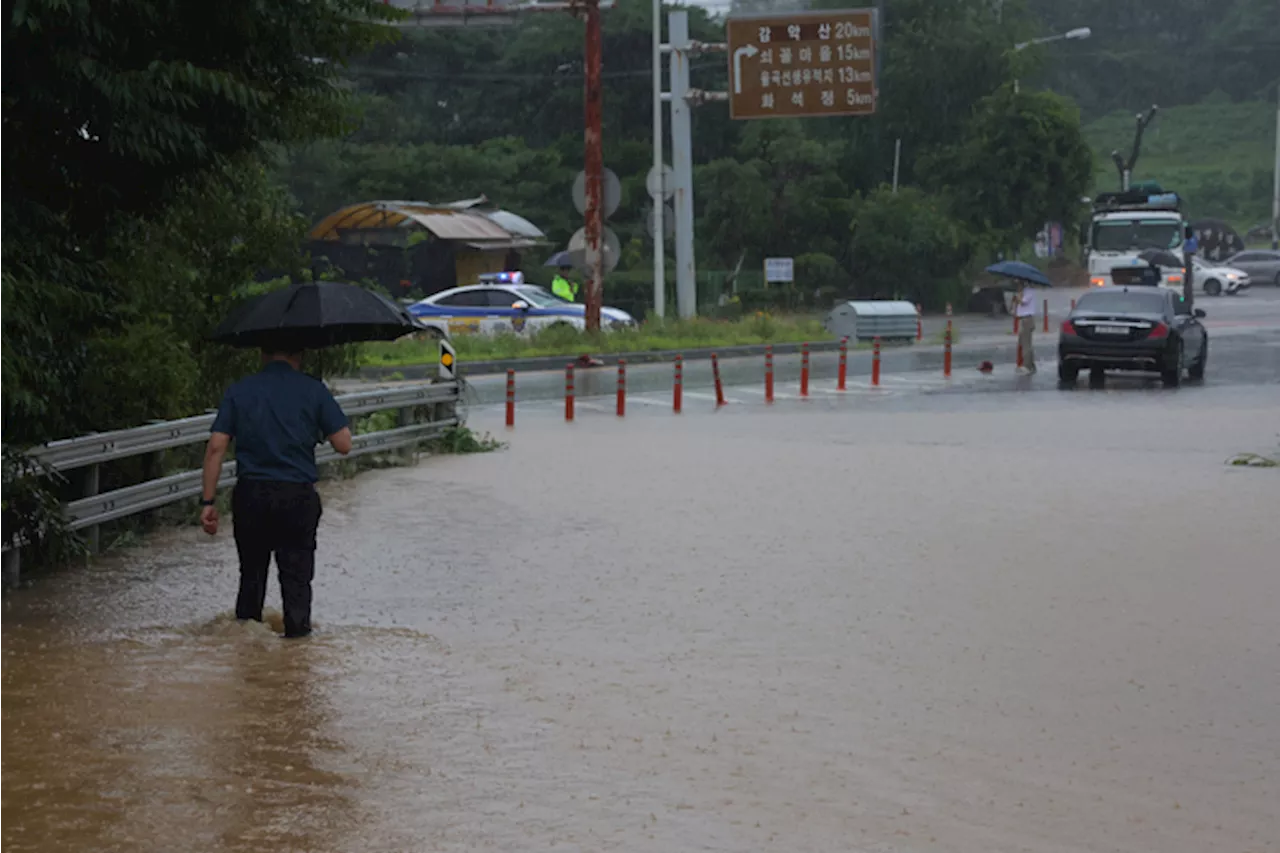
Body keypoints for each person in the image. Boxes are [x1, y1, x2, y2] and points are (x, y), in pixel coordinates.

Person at [199, 348, 353, 639]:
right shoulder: (313, 389)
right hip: (297, 497)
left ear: (262, 354)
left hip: (252, 496)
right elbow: (344, 444)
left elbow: (216, 447)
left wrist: (208, 502)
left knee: (251, 578)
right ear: (298, 354)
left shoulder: (240, 391)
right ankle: (296, 659)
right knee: (296, 582)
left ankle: (247, 655)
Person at [1014, 281, 1037, 374]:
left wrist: (1018, 297)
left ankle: (1027, 366)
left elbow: (1023, 302)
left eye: (1019, 283)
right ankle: (1030, 364)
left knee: (1026, 344)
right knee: (1022, 342)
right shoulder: (1022, 292)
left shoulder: (1029, 291)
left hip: (1028, 319)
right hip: (1022, 319)